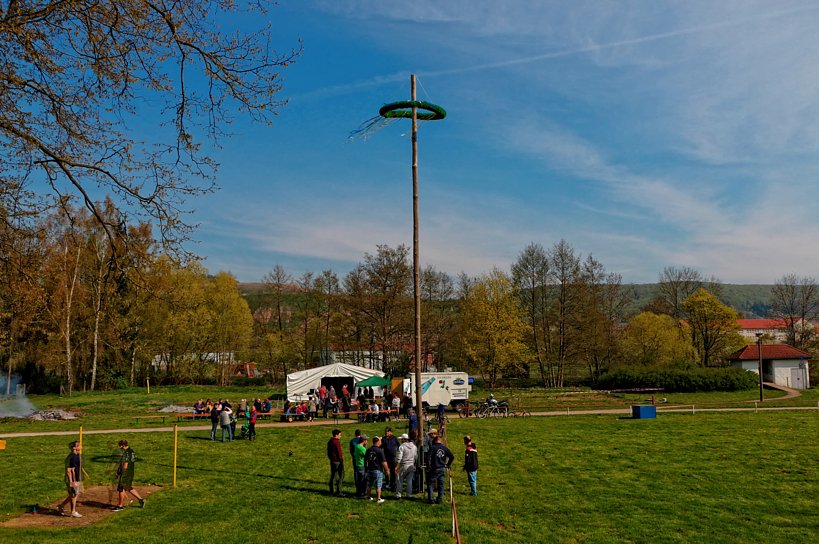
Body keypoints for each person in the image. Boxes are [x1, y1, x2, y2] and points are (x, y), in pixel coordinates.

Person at [113, 439, 145, 511]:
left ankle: (120, 506)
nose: (120, 448)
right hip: (131, 472)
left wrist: (120, 472)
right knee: (127, 487)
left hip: (126, 473)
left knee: (121, 488)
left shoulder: (126, 453)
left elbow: (125, 465)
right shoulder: (132, 451)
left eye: (120, 447)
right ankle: (141, 500)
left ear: (123, 445)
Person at [426, 433, 454, 504]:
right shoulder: (444, 448)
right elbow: (452, 456)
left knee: (430, 483)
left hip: (434, 468)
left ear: (434, 441)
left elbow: (428, 458)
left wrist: (428, 466)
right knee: (441, 484)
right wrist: (447, 465)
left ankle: (431, 500)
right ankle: (439, 499)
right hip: (442, 468)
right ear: (440, 441)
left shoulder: (432, 448)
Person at [59, 441, 83, 518]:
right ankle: (73, 511)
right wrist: (72, 482)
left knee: (74, 494)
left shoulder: (77, 455)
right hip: (72, 479)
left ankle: (61, 506)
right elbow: (69, 471)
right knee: (73, 495)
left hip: (76, 478)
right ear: (74, 448)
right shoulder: (72, 457)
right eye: (79, 445)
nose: (81, 446)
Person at [364, 436, 388, 503]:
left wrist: (366, 468)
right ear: (377, 442)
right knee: (378, 485)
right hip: (378, 470)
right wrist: (387, 470)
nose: (381, 442)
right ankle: (378, 498)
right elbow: (384, 462)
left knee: (369, 484)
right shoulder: (380, 451)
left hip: (370, 469)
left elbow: (365, 460)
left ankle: (368, 496)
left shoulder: (368, 450)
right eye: (380, 441)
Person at [395, 433, 417, 499]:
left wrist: (396, 466)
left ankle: (398, 495)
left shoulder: (402, 446)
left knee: (399, 480)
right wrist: (414, 464)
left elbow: (399, 457)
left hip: (403, 465)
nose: (401, 440)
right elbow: (416, 457)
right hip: (411, 465)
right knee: (409, 481)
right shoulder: (414, 446)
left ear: (404, 439)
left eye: (401, 439)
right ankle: (409, 494)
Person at [327, 429, 345, 496]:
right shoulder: (336, 442)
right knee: (341, 476)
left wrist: (331, 458)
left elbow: (328, 452)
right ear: (336, 435)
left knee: (333, 475)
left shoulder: (330, 441)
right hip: (337, 461)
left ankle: (331, 490)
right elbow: (339, 452)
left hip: (332, 461)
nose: (341, 436)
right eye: (340, 435)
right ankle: (339, 491)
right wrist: (341, 460)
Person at [381, 427, 399, 493]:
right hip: (386, 457)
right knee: (386, 471)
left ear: (391, 432)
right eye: (386, 432)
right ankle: (387, 483)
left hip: (393, 457)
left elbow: (398, 446)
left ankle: (393, 484)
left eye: (388, 432)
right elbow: (380, 446)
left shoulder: (394, 438)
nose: (386, 433)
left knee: (392, 471)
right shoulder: (383, 439)